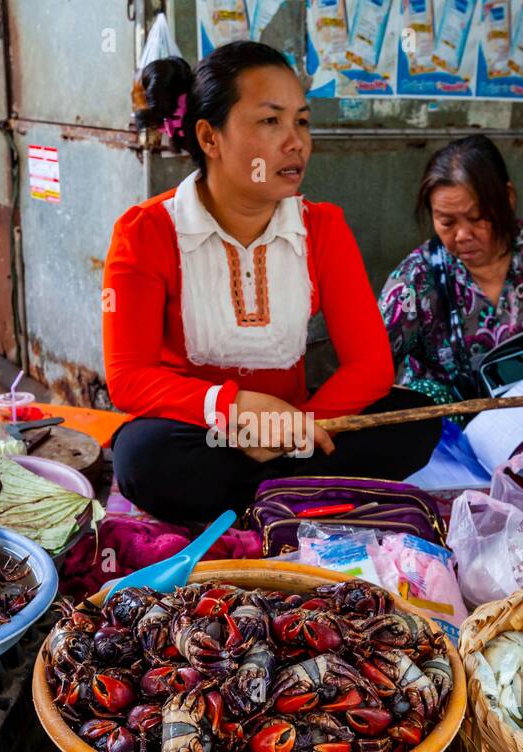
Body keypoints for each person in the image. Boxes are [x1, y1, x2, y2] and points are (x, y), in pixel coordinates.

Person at [104, 41, 440, 523]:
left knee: (416, 420)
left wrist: (301, 425)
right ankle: (299, 494)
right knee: (141, 456)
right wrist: (235, 407)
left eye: (301, 121)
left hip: (300, 430)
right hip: (205, 435)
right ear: (209, 137)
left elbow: (369, 366)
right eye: (270, 121)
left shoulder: (322, 227)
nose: (295, 142)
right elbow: (129, 379)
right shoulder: (147, 231)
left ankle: (266, 494)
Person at [379, 135, 523, 407]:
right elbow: (370, 359)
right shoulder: (416, 279)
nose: (463, 235)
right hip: (451, 431)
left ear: (508, 197)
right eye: (446, 222)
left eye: (477, 218)